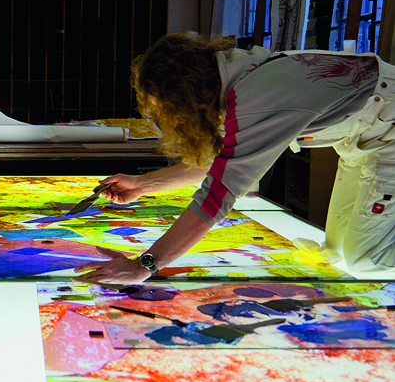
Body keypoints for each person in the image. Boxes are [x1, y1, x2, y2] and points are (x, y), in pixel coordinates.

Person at [76, 32, 395, 283]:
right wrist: (144, 185)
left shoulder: (257, 99)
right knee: (337, 253)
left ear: (183, 93)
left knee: (367, 259)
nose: (161, 114)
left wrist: (146, 264)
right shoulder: (236, 77)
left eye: (161, 105)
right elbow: (217, 161)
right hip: (363, 140)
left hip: (389, 131)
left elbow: (217, 196)